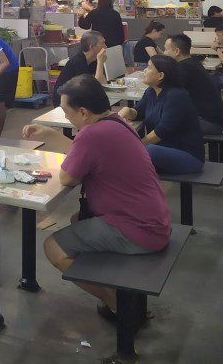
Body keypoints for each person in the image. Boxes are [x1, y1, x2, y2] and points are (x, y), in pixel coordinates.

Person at [22, 75, 170, 322]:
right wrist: (49, 133)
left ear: (83, 112)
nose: (65, 116)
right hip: (153, 219)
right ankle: (114, 286)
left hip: (139, 229)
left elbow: (68, 177)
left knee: (53, 248)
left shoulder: (92, 135)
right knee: (77, 218)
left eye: (65, 111)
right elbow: (84, 153)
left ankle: (118, 305)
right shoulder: (115, 122)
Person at [119, 55, 204, 174]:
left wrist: (136, 146)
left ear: (160, 76)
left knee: (146, 151)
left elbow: (161, 132)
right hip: (164, 150)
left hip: (188, 156)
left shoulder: (176, 95)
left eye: (148, 68)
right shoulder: (151, 91)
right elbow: (138, 112)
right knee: (134, 156)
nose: (144, 70)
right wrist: (127, 110)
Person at [164, 33, 223, 135]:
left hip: (210, 123)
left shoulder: (183, 68)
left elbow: (167, 92)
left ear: (177, 51)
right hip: (216, 119)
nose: (164, 53)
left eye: (166, 50)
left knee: (163, 124)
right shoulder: (192, 63)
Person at [54, 31, 108, 98]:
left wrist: (100, 63)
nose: (105, 46)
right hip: (65, 100)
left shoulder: (93, 60)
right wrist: (100, 62)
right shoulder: (78, 62)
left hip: (78, 96)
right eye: (103, 43)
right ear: (91, 46)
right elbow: (96, 87)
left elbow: (103, 84)